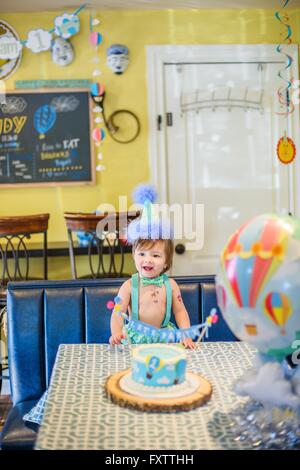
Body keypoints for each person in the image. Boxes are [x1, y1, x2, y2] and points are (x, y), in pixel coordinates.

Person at [109, 184, 195, 349]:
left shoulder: (170, 285)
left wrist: (186, 335)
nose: (148, 260)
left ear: (166, 262)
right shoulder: (128, 286)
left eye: (155, 255)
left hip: (164, 336)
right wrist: (116, 333)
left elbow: (180, 311)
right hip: (134, 338)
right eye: (142, 254)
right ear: (134, 256)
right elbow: (117, 313)